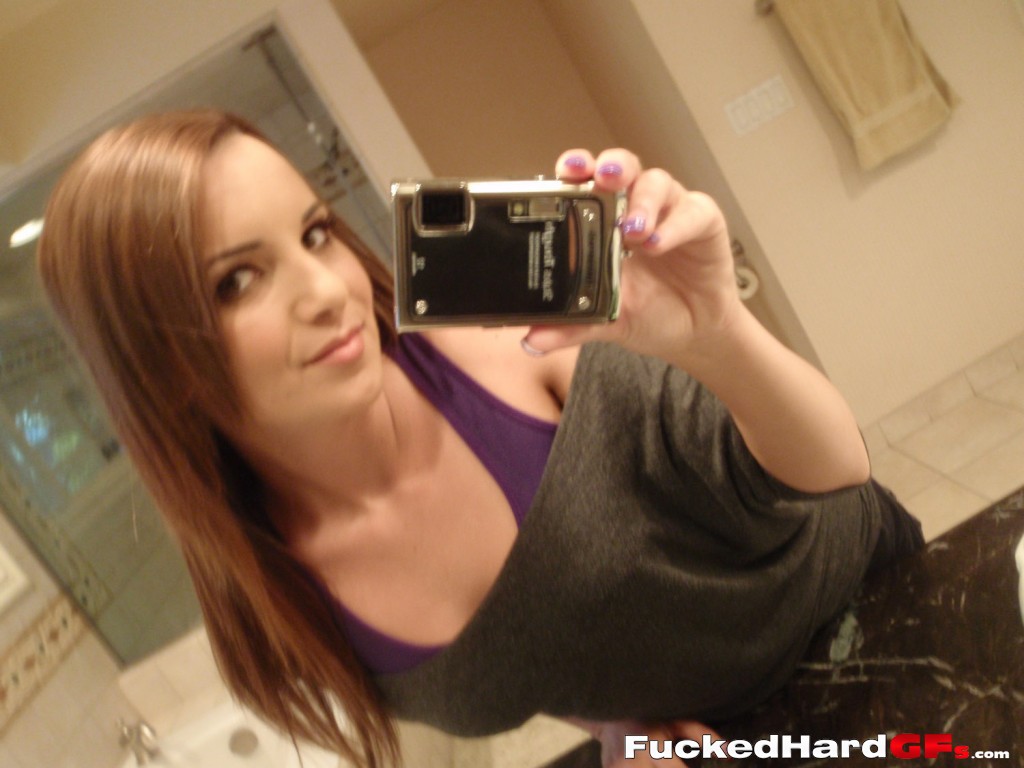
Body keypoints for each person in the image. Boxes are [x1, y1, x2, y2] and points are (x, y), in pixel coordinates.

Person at [37, 109, 922, 768]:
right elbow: (539, 646)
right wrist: (620, 728)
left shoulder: (505, 347)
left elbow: (833, 470)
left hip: (879, 610)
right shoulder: (280, 606)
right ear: (153, 366)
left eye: (315, 233)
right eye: (237, 281)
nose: (329, 290)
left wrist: (716, 331)